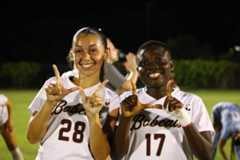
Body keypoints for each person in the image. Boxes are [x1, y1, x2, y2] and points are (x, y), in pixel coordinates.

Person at [26, 27, 120, 160]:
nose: (86, 56)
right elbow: (32, 138)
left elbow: (102, 155)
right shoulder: (54, 85)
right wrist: (49, 103)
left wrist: (93, 118)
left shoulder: (112, 99)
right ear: (72, 53)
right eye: (79, 50)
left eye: (93, 50)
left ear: (105, 53)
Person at [113, 40, 214, 160]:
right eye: (144, 63)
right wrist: (126, 118)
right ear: (138, 70)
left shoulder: (192, 102)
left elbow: (208, 156)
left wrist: (184, 119)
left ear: (171, 66)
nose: (152, 67)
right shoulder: (127, 100)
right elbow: (116, 155)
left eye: (159, 61)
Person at [0, 94, 24, 160]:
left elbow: (8, 103)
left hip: (4, 121)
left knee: (12, 145)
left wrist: (9, 121)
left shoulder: (1, 99)